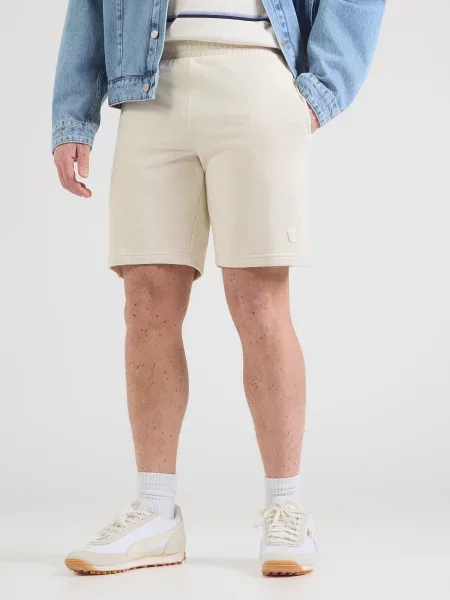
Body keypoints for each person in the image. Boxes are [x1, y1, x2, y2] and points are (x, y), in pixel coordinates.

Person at [52, 0, 385, 578]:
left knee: (259, 301)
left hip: (257, 71)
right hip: (149, 83)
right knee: (145, 303)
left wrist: (321, 90)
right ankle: (156, 511)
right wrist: (72, 113)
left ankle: (286, 507)